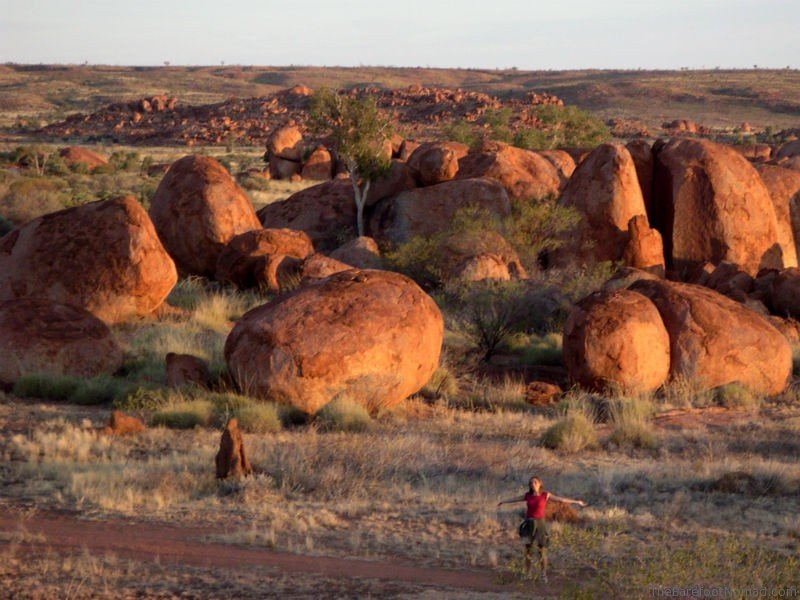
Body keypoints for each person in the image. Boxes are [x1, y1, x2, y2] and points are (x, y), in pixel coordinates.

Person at [497, 476, 587, 582]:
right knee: (528, 551)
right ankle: (527, 573)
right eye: (531, 482)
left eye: (535, 482)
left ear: (540, 484)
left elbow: (561, 499)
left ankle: (543, 574)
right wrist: (503, 501)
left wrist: (577, 502)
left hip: (540, 524)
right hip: (529, 524)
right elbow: (514, 499)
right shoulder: (527, 495)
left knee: (541, 550)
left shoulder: (545, 495)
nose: (532, 484)